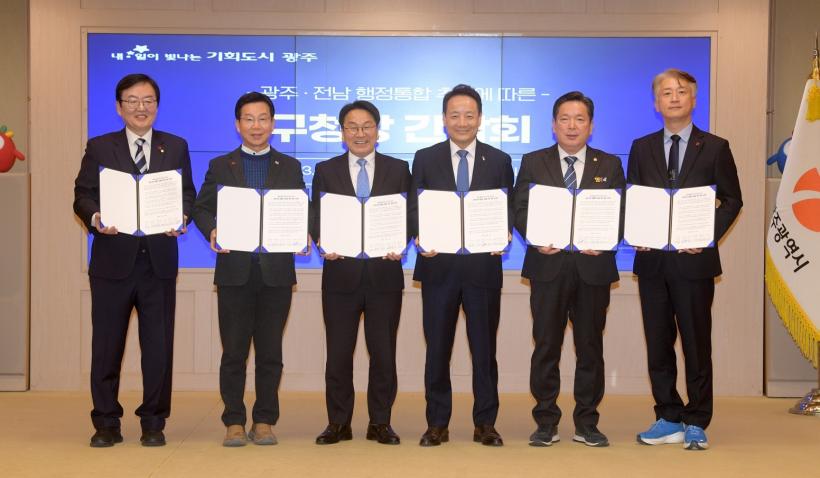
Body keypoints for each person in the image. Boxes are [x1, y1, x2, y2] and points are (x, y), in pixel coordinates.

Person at [73, 73, 196, 448]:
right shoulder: (100, 147)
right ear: (119, 106)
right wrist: (96, 218)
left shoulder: (176, 146)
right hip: (112, 262)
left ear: (157, 105)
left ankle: (154, 422)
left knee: (158, 347)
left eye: (148, 101)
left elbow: (187, 194)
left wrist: (182, 217)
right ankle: (106, 422)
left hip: (158, 263)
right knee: (106, 347)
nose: (141, 108)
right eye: (132, 100)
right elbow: (82, 194)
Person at [629, 69, 742, 450]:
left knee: (696, 343)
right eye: (666, 92)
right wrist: (637, 231)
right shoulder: (641, 147)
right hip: (653, 264)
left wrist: (705, 235)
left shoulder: (715, 147)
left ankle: (696, 419)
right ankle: (667, 416)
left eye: (681, 92)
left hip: (694, 264)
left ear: (693, 99)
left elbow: (732, 200)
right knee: (658, 343)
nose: (674, 98)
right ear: (656, 103)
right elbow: (634, 198)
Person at [192, 92, 306, 447]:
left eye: (263, 119)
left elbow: (300, 209)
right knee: (234, 352)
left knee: (271, 353)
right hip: (235, 272)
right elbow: (201, 208)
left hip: (276, 273)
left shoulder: (290, 166)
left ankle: (265, 420)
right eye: (249, 119)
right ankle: (234, 420)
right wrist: (212, 230)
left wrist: (302, 232)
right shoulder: (220, 165)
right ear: (238, 124)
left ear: (273, 123)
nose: (256, 126)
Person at [513, 91, 624, 448]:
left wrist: (606, 239)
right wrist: (535, 237)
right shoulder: (533, 161)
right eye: (565, 118)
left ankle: (587, 422)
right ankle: (545, 421)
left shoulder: (610, 164)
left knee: (590, 347)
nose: (572, 126)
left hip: (593, 268)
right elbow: (519, 208)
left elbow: (620, 211)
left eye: (579, 119)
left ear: (591, 126)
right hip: (548, 267)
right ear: (553, 124)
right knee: (546, 346)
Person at [411, 84, 513, 447]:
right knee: (437, 350)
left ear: (480, 118)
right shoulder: (425, 158)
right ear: (443, 119)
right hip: (438, 269)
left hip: (483, 271)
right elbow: (414, 207)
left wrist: (505, 232)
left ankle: (486, 423)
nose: (462, 122)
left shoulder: (499, 160)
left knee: (484, 352)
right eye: (454, 115)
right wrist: (419, 235)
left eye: (469, 115)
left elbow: (508, 207)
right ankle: (436, 423)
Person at [309, 100, 412, 445]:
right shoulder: (326, 170)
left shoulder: (399, 169)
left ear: (378, 131)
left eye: (367, 126)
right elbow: (315, 214)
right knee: (338, 354)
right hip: (340, 275)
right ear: (342, 133)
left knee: (383, 354)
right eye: (352, 127)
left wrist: (403, 240)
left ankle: (380, 422)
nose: (360, 133)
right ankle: (338, 422)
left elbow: (410, 214)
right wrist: (322, 240)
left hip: (384, 275)